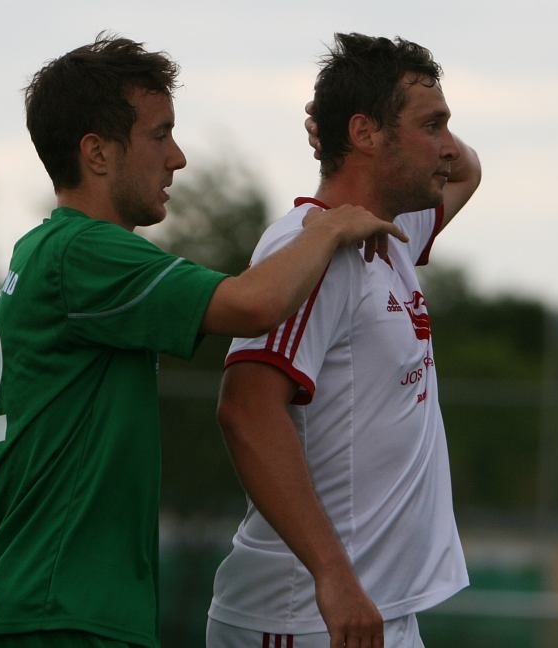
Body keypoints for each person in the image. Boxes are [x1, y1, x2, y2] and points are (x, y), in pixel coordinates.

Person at [0, 33, 406, 648]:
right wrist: (329, 227)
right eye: (160, 135)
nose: (178, 157)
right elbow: (252, 304)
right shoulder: (84, 251)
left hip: (34, 607)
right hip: (56, 613)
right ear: (97, 152)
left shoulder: (41, 251)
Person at [205, 32, 482, 648]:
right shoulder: (311, 246)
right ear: (366, 133)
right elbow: (246, 410)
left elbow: (469, 169)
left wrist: (344, 128)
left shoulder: (390, 230)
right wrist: (333, 576)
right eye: (431, 125)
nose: (448, 146)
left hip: (372, 608)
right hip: (306, 615)